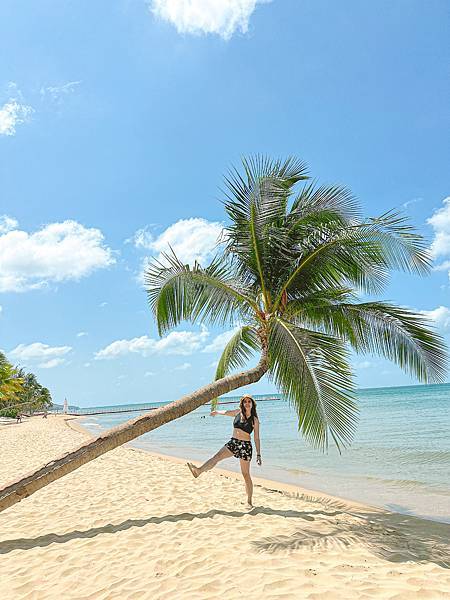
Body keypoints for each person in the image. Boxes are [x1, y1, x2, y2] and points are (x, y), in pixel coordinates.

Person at [187, 394, 262, 508]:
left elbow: (256, 437)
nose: (247, 403)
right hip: (233, 443)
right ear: (242, 403)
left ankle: (249, 502)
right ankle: (198, 471)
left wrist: (258, 454)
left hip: (245, 446)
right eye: (245, 401)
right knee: (216, 457)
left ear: (252, 404)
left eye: (249, 401)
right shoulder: (237, 412)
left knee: (245, 474)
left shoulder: (254, 419)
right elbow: (226, 412)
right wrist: (216, 412)